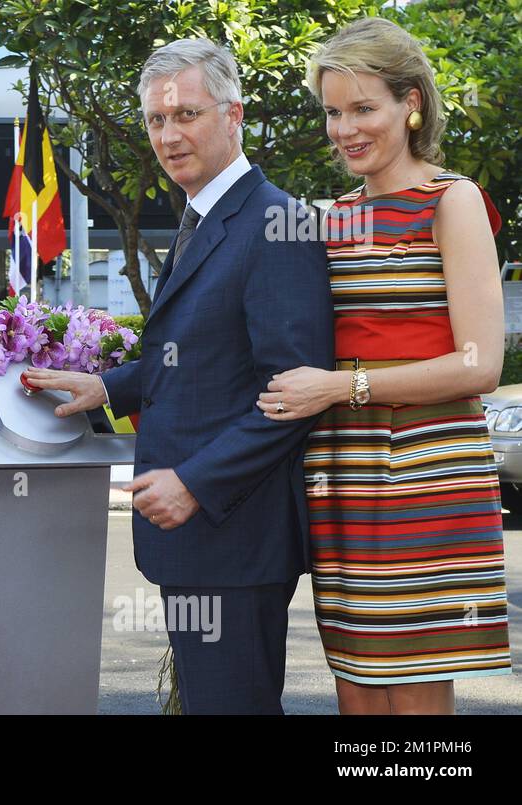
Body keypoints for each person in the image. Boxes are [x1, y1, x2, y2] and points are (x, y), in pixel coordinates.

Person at [24, 38, 334, 713]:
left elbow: (295, 393)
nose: (169, 135)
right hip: (201, 540)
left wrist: (196, 481)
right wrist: (108, 387)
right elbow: (199, 358)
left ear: (234, 115)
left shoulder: (274, 224)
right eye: (157, 120)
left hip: (234, 537)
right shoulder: (206, 216)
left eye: (187, 114)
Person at [255, 17, 511, 714]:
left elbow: (480, 363)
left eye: (364, 108)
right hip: (342, 478)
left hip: (429, 477)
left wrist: (344, 385)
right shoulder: (329, 217)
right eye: (334, 111)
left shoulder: (450, 202)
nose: (345, 129)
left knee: (414, 706)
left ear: (412, 103)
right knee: (358, 695)